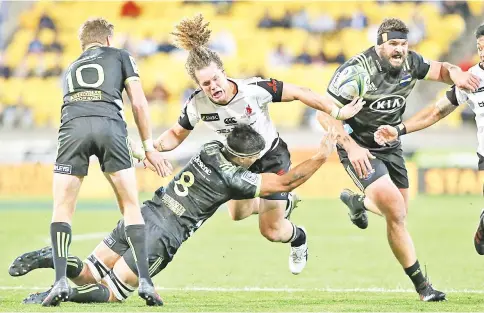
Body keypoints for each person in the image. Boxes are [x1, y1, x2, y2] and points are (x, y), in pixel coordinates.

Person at [10, 124, 338, 305]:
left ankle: (54, 259)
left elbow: (243, 203)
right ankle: (62, 295)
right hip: (160, 238)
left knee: (93, 269)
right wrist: (321, 155)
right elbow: (284, 181)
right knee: (110, 292)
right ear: (242, 158)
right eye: (252, 159)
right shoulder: (234, 176)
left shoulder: (209, 149)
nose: (253, 163)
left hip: (141, 217)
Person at [154, 14, 363, 275]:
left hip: (270, 156)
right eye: (205, 84)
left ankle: (298, 238)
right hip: (237, 162)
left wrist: (337, 112)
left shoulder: (253, 90)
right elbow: (175, 134)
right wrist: (153, 147)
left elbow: (301, 92)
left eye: (216, 78)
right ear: (198, 85)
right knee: (237, 214)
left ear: (223, 72)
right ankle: (283, 202)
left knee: (271, 231)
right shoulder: (197, 105)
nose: (213, 86)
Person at [317, 17, 479, 301]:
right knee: (394, 208)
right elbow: (323, 114)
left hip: (389, 143)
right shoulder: (356, 72)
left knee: (400, 213)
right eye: (393, 43)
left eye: (403, 44)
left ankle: (359, 203)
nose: (399, 50)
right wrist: (351, 147)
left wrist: (457, 74)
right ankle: (423, 288)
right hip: (358, 145)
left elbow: (444, 69)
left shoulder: (411, 63)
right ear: (379, 44)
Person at [44, 17, 172, 306]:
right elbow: (138, 103)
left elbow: (82, 112)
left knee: (62, 209)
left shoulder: (71, 67)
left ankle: (60, 281)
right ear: (108, 41)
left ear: (83, 43)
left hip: (71, 128)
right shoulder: (121, 56)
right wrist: (148, 147)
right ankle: (145, 282)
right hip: (111, 127)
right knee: (129, 205)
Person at [372, 24, 484, 256]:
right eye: (480, 48)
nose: (482, 54)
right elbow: (437, 111)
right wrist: (400, 129)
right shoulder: (472, 78)